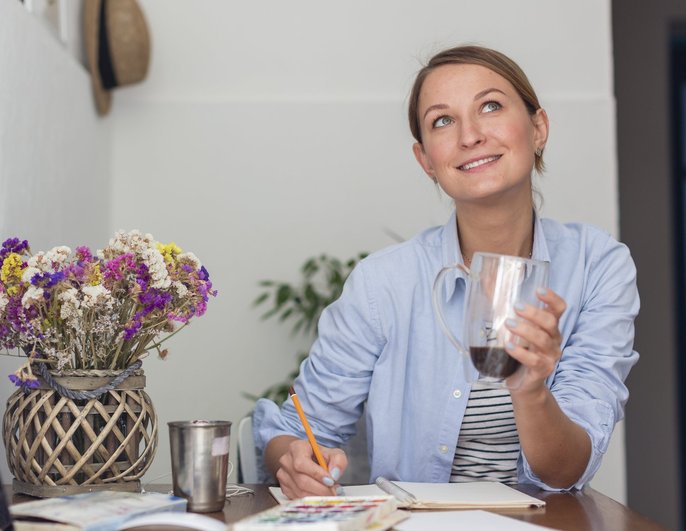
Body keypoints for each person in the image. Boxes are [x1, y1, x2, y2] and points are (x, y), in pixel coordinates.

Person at [253, 45, 640, 498]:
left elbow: (566, 471)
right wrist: (293, 459)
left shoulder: (598, 267)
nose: (470, 135)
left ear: (538, 128)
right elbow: (298, 430)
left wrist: (531, 389)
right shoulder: (383, 283)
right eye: (443, 120)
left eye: (490, 106)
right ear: (426, 161)